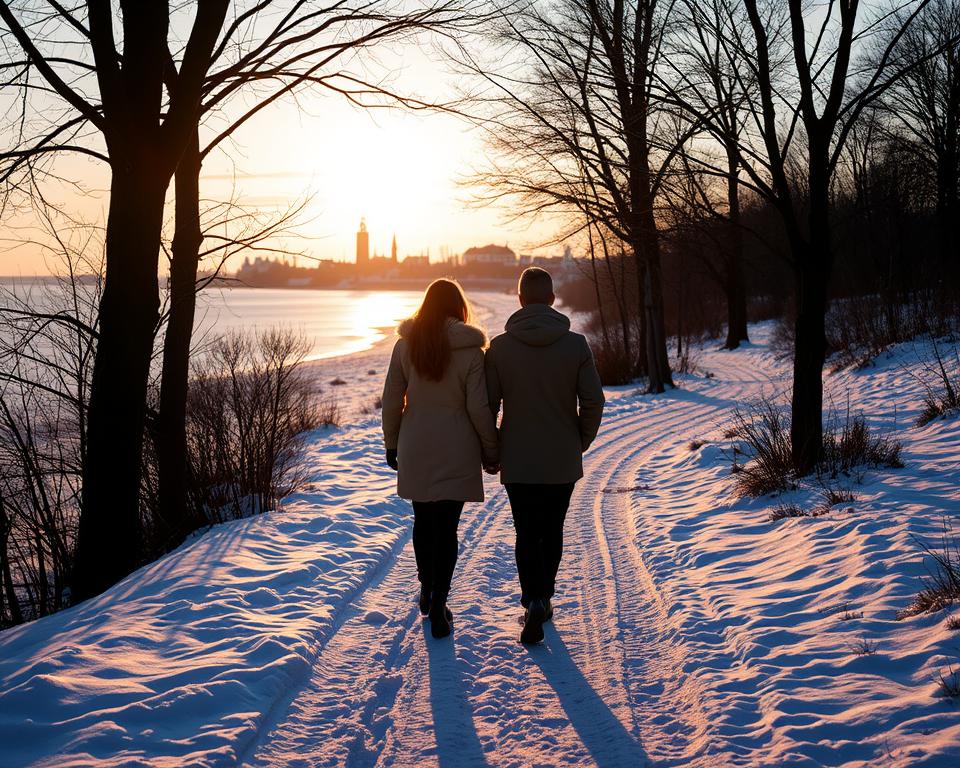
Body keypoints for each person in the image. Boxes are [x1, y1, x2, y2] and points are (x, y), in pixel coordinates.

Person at [485, 267, 605, 644]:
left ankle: (531, 599)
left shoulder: (500, 347)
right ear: (551, 299)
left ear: (520, 299)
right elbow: (593, 400)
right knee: (551, 530)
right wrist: (580, 440)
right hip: (560, 456)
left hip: (518, 458)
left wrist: (491, 450)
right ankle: (544, 597)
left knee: (525, 531)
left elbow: (488, 406)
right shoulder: (576, 345)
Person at [381, 279, 499, 639]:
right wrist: (490, 449)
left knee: (423, 520)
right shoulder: (471, 351)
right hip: (456, 447)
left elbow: (391, 400)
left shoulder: (406, 345)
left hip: (416, 443)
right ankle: (439, 601)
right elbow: (479, 407)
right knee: (447, 528)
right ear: (458, 307)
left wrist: (392, 443)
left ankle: (427, 586)